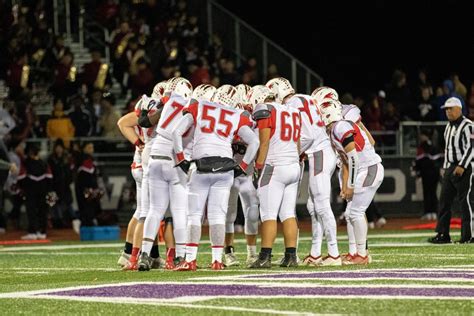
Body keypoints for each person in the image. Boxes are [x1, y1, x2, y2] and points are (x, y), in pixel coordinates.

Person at [172, 85, 259, 271]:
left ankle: (190, 259)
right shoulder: (238, 114)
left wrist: (180, 158)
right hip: (226, 167)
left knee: (194, 215)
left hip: (201, 165)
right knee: (218, 215)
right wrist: (243, 166)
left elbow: (176, 132)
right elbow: (255, 141)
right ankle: (217, 260)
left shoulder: (200, 105)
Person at [318, 99, 384, 265]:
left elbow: (353, 158)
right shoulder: (334, 130)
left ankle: (362, 255)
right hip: (363, 169)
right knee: (350, 214)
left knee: (355, 213)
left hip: (369, 168)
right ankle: (355, 253)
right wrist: (346, 185)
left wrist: (351, 185)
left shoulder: (340, 126)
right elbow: (346, 162)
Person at [247, 85, 301, 269]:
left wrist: (258, 168)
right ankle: (291, 256)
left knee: (268, 214)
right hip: (293, 165)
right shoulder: (293, 111)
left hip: (275, 166)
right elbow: (298, 143)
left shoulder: (265, 109)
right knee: (288, 213)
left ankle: (264, 257)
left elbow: (264, 144)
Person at [429, 97, 474, 244]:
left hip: (464, 167)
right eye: (446, 109)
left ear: (459, 109)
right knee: (444, 201)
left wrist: (462, 165)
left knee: (465, 202)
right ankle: (443, 234)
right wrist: (445, 166)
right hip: (450, 167)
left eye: (450, 108)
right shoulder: (448, 126)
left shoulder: (468, 125)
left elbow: (472, 147)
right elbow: (448, 149)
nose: (448, 112)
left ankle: (469, 235)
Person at [17, 144, 56, 240]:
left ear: (30, 153)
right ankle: (42, 232)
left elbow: (21, 177)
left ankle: (32, 232)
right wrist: (48, 189)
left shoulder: (26, 163)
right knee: (43, 211)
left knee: (32, 211)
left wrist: (22, 187)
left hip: (30, 190)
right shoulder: (44, 163)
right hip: (43, 189)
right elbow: (50, 177)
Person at [412, 131, 442, 221]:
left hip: (427, 173)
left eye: (423, 135)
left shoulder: (422, 147)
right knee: (432, 192)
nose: (421, 137)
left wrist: (417, 172)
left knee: (428, 192)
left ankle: (429, 212)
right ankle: (433, 212)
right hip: (434, 173)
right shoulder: (434, 146)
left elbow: (419, 161)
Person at [48, 139, 76, 230]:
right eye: (57, 147)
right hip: (54, 185)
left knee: (68, 203)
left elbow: (70, 172)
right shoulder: (51, 159)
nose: (59, 149)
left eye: (60, 147)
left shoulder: (66, 159)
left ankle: (74, 220)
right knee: (54, 204)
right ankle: (57, 221)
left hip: (65, 185)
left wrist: (68, 180)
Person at [75, 142, 102, 227]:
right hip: (84, 188)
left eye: (92, 147)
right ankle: (84, 225)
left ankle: (88, 225)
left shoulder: (91, 159)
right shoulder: (82, 159)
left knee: (91, 209)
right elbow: (85, 176)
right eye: (89, 147)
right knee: (85, 208)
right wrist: (90, 188)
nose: (91, 150)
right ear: (84, 149)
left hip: (90, 188)